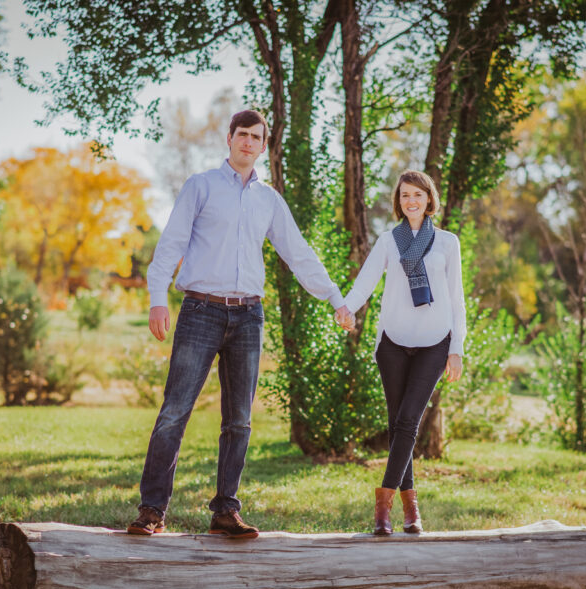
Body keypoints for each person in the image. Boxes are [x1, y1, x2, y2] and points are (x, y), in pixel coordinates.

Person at [129, 109, 354, 539]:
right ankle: (152, 510)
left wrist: (335, 298)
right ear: (229, 138)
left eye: (256, 137)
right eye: (242, 134)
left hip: (249, 316)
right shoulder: (201, 186)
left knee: (239, 421)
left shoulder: (268, 200)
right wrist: (158, 299)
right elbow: (171, 243)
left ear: (264, 146)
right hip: (200, 310)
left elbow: (298, 253)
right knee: (174, 412)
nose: (248, 142)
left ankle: (225, 510)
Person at [338, 170, 466, 535]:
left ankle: (383, 507)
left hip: (435, 343)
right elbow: (365, 282)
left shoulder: (447, 242)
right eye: (405, 195)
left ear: (429, 199)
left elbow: (457, 299)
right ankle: (411, 508)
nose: (411, 201)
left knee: (409, 420)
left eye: (418, 195)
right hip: (393, 343)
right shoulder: (388, 241)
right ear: (399, 200)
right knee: (398, 425)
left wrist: (457, 348)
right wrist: (346, 308)